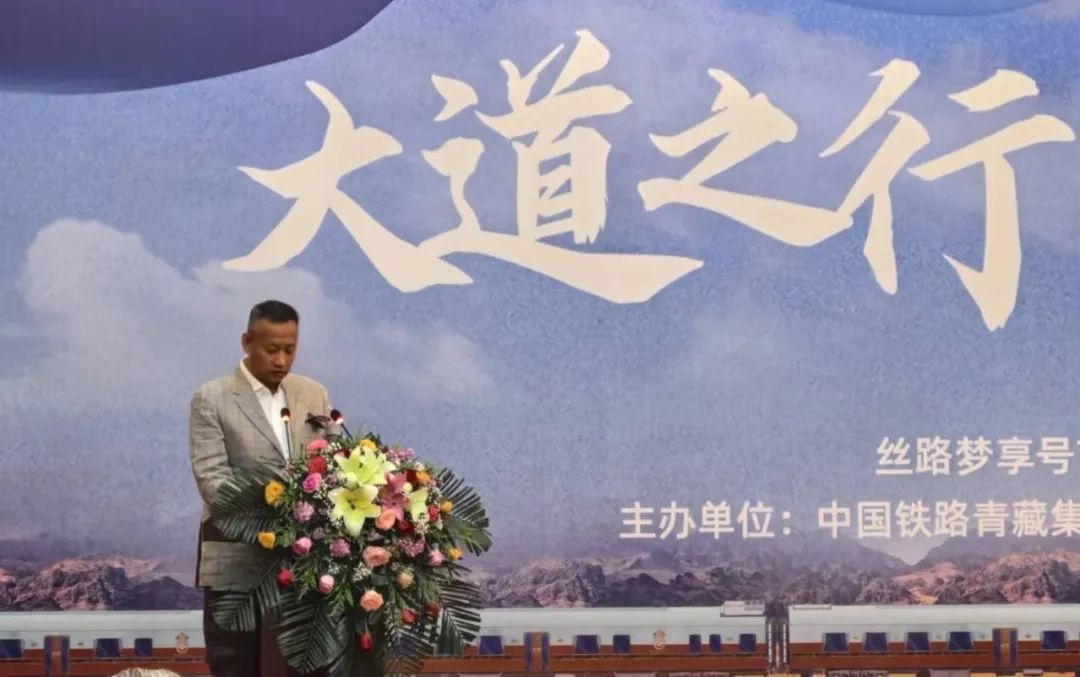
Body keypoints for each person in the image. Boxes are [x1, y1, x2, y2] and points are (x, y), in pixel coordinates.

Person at [188, 300, 331, 677]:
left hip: (306, 558)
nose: (282, 360)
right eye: (272, 349)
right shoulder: (211, 397)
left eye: (290, 350)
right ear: (247, 341)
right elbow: (212, 480)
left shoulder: (313, 393)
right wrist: (276, 518)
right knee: (234, 663)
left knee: (310, 663)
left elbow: (332, 465)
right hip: (235, 553)